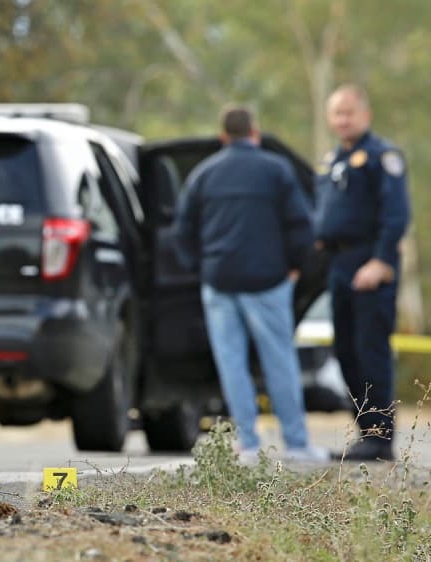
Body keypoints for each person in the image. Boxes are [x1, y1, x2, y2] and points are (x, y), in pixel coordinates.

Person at [174, 105, 327, 463]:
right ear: (254, 133)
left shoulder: (203, 174)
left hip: (220, 283)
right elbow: (302, 225)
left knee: (232, 364)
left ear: (223, 136)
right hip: (269, 282)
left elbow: (182, 232)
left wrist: (202, 268)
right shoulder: (276, 170)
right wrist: (295, 267)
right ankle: (297, 445)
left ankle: (248, 444)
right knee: (279, 361)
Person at [316, 84, 410, 461]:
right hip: (338, 264)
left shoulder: (381, 157)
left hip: (369, 261)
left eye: (349, 112)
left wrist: (381, 261)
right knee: (345, 351)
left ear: (365, 115)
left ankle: (380, 436)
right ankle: (365, 430)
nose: (343, 120)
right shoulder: (332, 160)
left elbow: (395, 215)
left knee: (370, 350)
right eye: (337, 113)